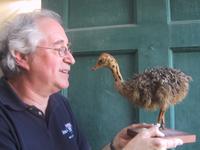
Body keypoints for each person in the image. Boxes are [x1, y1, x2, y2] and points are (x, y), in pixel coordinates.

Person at [0, 9, 183, 150]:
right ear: (22, 56)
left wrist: (115, 147)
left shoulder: (60, 104)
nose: (71, 59)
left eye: (68, 49)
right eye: (60, 49)